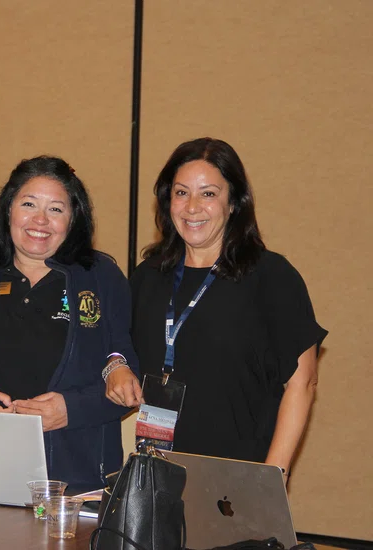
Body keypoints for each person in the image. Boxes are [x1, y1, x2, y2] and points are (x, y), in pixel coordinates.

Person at [106, 138, 327, 479]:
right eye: (181, 193)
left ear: (234, 202)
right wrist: (115, 367)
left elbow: (303, 382)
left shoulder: (271, 276)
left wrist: (272, 477)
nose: (192, 207)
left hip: (236, 475)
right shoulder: (149, 275)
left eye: (208, 193)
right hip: (154, 473)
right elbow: (116, 344)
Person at [0, 156, 140, 489]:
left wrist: (72, 410)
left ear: (73, 217)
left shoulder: (101, 278)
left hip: (76, 478)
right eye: (28, 204)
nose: (41, 220)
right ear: (9, 209)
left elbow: (125, 372)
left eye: (56, 209)